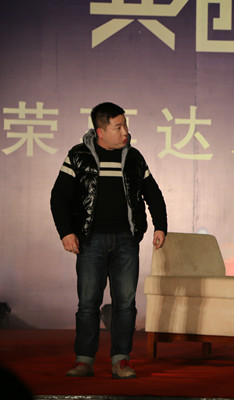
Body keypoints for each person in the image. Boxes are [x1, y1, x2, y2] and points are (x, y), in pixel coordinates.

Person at [50, 102, 168, 379]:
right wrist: (66, 232)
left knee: (125, 304)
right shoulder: (78, 156)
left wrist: (160, 226)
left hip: (126, 241)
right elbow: (59, 197)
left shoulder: (134, 157)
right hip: (90, 241)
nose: (125, 132)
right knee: (88, 304)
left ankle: (121, 360)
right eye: (118, 127)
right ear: (100, 131)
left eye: (125, 125)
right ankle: (84, 360)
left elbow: (153, 194)